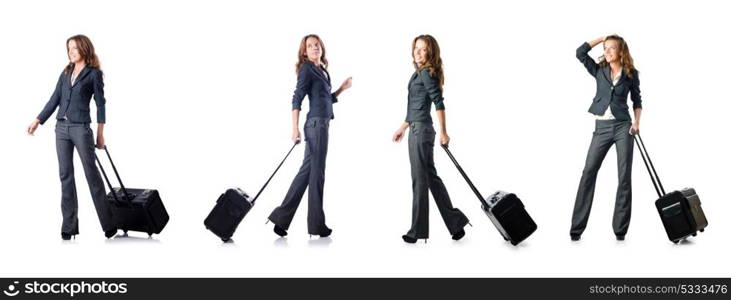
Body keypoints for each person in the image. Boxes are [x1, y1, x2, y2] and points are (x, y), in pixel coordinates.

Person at [26, 34, 118, 240]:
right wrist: (38, 120)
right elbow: (54, 99)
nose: (71, 52)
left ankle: (109, 224)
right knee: (65, 176)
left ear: (84, 49)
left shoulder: (94, 74)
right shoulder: (65, 72)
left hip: (81, 129)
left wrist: (101, 134)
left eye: (75, 48)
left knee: (92, 175)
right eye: (69, 48)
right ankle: (69, 226)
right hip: (61, 129)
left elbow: (101, 105)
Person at [268, 34, 352, 238]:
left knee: (306, 173)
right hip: (316, 127)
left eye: (317, 45)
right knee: (317, 175)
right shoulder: (306, 69)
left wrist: (341, 88)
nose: (315, 48)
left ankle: (281, 219)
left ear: (321, 48)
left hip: (321, 124)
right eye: (310, 46)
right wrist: (294, 129)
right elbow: (297, 98)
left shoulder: (322, 70)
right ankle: (316, 226)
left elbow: (324, 99)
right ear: (304, 51)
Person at [392, 34, 469, 244]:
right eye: (416, 47)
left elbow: (438, 102)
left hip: (421, 133)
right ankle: (455, 224)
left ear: (430, 52)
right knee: (431, 179)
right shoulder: (419, 73)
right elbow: (416, 106)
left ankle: (417, 231)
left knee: (420, 181)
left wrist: (444, 132)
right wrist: (402, 127)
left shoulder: (426, 73)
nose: (418, 52)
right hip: (417, 129)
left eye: (423, 49)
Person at [570, 34, 643, 241]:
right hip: (601, 127)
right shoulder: (599, 70)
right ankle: (576, 228)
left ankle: (620, 230)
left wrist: (636, 123)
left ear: (621, 51)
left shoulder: (631, 74)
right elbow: (580, 53)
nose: (607, 51)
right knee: (588, 172)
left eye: (612, 48)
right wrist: (601, 38)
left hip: (623, 127)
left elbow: (637, 101)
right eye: (606, 48)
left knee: (624, 177)